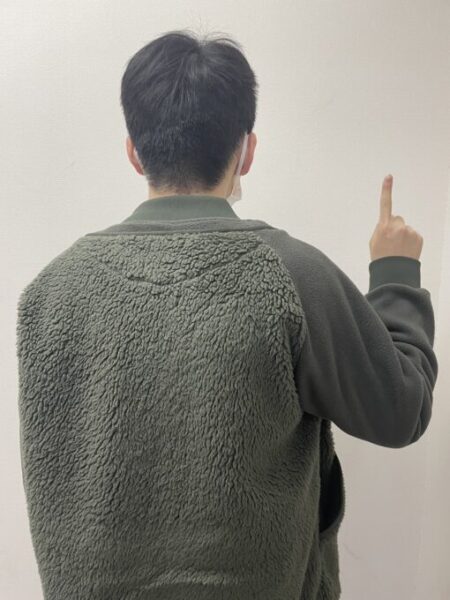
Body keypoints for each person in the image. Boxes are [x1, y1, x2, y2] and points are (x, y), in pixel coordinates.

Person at [16, 29, 438, 600]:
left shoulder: (50, 291)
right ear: (247, 150)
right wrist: (395, 274)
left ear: (134, 151)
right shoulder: (292, 275)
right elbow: (399, 410)